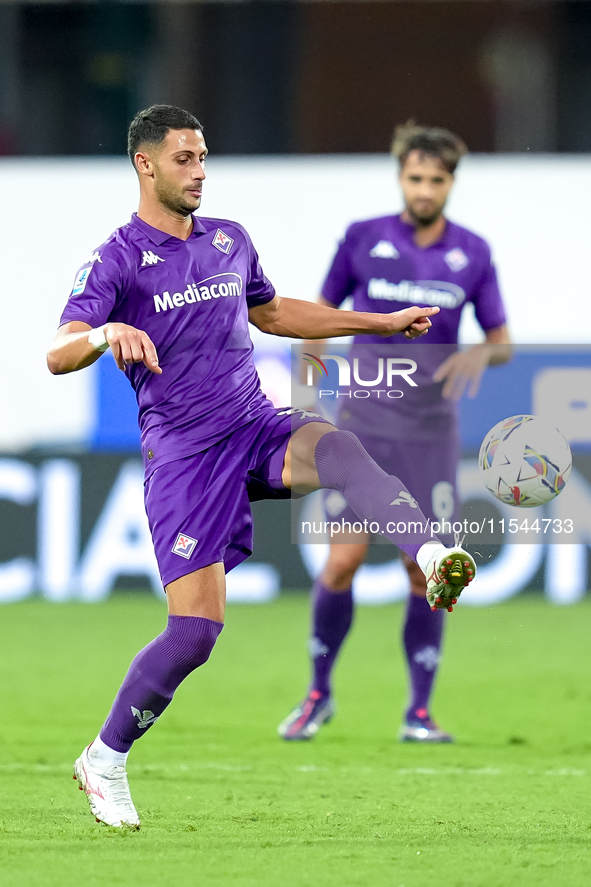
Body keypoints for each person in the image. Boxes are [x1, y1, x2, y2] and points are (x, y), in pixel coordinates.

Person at [47, 106, 477, 830]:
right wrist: (103, 332)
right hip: (185, 458)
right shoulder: (117, 257)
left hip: (252, 425)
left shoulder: (228, 239)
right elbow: (57, 352)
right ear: (145, 165)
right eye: (183, 158)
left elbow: (273, 314)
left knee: (337, 446)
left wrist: (377, 321)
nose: (200, 171)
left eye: (204, 156)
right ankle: (105, 756)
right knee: (195, 634)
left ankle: (430, 553)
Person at [278, 123, 510, 743]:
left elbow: (501, 340)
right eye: (415, 178)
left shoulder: (475, 252)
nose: (425, 189)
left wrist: (479, 356)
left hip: (431, 432)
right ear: (400, 177)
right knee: (342, 562)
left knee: (424, 571)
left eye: (436, 179)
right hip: (365, 426)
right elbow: (318, 316)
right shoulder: (362, 239)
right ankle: (318, 694)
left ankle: (420, 711)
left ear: (451, 183)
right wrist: (307, 392)